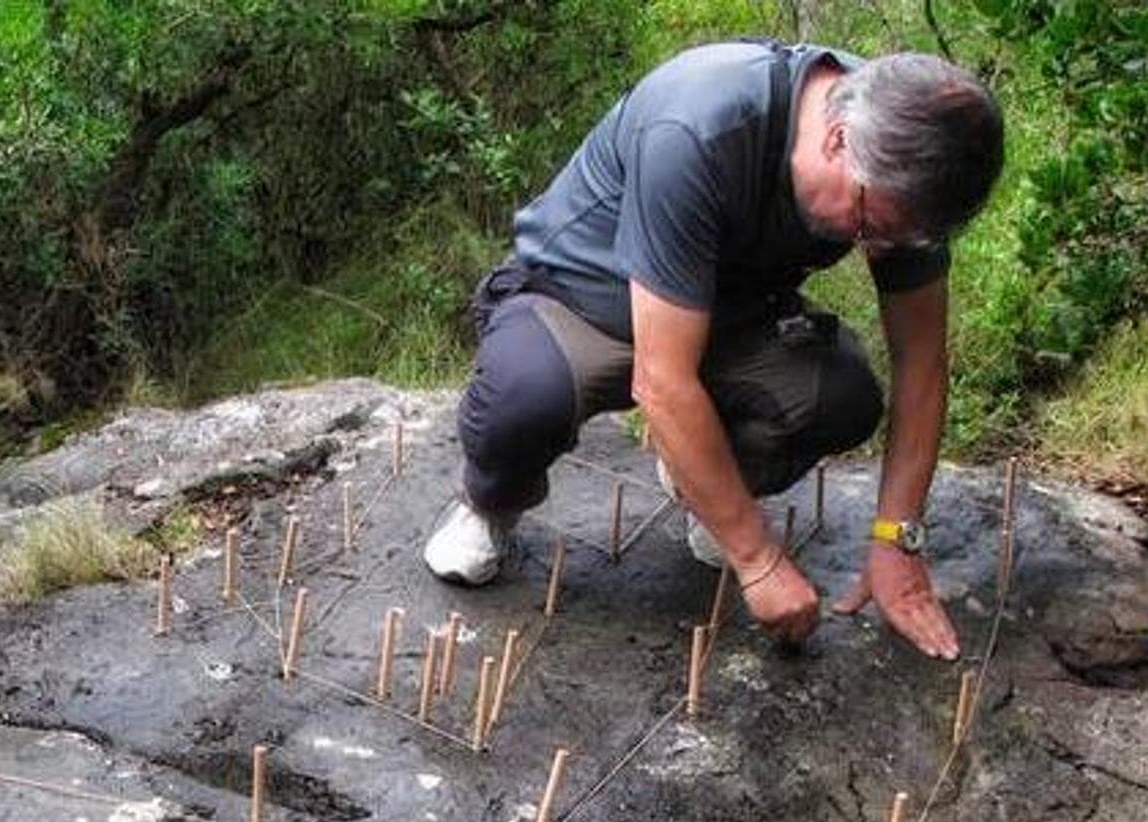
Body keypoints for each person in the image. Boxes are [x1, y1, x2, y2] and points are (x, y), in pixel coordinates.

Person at [422, 39, 1003, 662]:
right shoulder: (700, 127)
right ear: (836, 139)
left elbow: (921, 362)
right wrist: (757, 559)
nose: (875, 243)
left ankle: (705, 479)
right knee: (524, 396)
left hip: (733, 319)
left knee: (842, 396)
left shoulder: (913, 149)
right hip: (583, 302)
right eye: (868, 225)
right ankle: (491, 500)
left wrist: (896, 540)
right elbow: (661, 380)